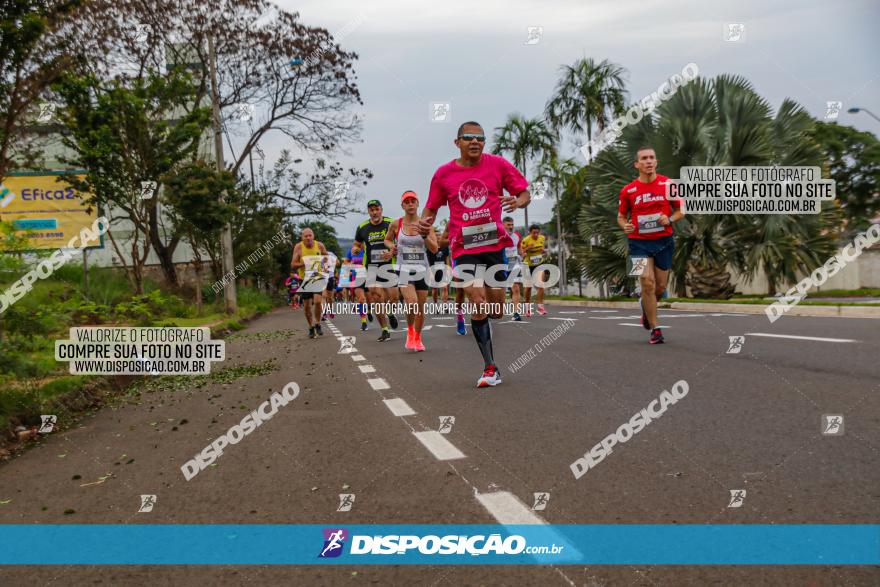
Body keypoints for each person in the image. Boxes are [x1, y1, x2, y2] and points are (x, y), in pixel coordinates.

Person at [419, 121, 531, 387]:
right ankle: (490, 368)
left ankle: (488, 335)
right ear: (457, 142)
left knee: (496, 310)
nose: (475, 142)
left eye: (480, 138)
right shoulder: (443, 174)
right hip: (464, 249)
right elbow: (431, 208)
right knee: (478, 302)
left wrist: (518, 201)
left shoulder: (498, 165)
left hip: (494, 247)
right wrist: (426, 223)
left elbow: (524, 193)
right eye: (468, 137)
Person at [617, 146, 684, 344]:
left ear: (656, 162)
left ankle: (646, 309)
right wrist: (625, 226)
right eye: (644, 158)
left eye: (651, 158)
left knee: (660, 287)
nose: (648, 161)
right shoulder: (628, 190)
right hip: (637, 243)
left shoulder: (667, 184)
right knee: (647, 282)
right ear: (637, 164)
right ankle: (655, 329)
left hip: (664, 242)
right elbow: (621, 217)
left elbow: (681, 210)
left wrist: (670, 219)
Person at [383, 190, 439, 351]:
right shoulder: (396, 224)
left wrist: (424, 235)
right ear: (402, 205)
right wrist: (391, 246)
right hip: (403, 268)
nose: (410, 204)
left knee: (420, 308)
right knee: (412, 303)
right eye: (406, 202)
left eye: (413, 201)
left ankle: (417, 337)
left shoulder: (426, 224)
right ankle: (410, 330)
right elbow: (387, 239)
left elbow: (434, 248)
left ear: (417, 204)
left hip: (422, 269)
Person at [353, 200, 400, 341]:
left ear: (381, 209)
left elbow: (400, 242)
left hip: (389, 265)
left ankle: (390, 313)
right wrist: (355, 249)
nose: (374, 212)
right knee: (376, 298)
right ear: (369, 211)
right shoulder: (362, 227)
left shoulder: (391, 223)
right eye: (371, 210)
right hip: (371, 266)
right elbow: (356, 244)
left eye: (377, 209)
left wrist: (394, 251)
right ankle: (385, 330)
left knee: (394, 298)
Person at [290, 228, 329, 339]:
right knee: (307, 306)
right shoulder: (298, 247)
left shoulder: (320, 245)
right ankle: (311, 327)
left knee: (317, 301)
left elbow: (326, 257)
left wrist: (324, 263)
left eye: (310, 235)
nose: (308, 238)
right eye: (305, 236)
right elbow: (293, 264)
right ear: (302, 237)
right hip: (305, 278)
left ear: (313, 236)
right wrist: (303, 263)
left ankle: (317, 323)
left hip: (317, 276)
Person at [439, 223, 467, 335]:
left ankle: (480, 317)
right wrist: (456, 238)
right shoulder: (452, 222)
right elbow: (441, 242)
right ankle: (460, 317)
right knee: (461, 290)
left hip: (478, 256)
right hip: (459, 259)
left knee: (479, 290)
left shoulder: (479, 215)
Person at [521, 224, 548, 316]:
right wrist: (528, 248)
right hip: (528, 265)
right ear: (530, 232)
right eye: (534, 233)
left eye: (537, 232)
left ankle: (540, 307)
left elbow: (541, 247)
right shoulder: (526, 240)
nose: (536, 234)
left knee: (541, 285)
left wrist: (543, 251)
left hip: (539, 263)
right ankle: (527, 308)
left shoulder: (542, 238)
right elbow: (522, 252)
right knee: (528, 287)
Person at [502, 216, 525, 321]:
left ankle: (516, 313)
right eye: (508, 225)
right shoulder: (498, 235)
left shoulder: (517, 236)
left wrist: (522, 254)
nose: (511, 227)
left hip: (514, 263)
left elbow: (519, 247)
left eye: (512, 224)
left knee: (515, 287)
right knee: (498, 290)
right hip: (501, 264)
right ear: (503, 225)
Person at [343, 245, 370, 330]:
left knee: (370, 300)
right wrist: (350, 264)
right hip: (357, 277)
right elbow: (346, 263)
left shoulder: (367, 249)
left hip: (368, 276)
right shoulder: (351, 251)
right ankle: (364, 322)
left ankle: (368, 311)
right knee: (361, 299)